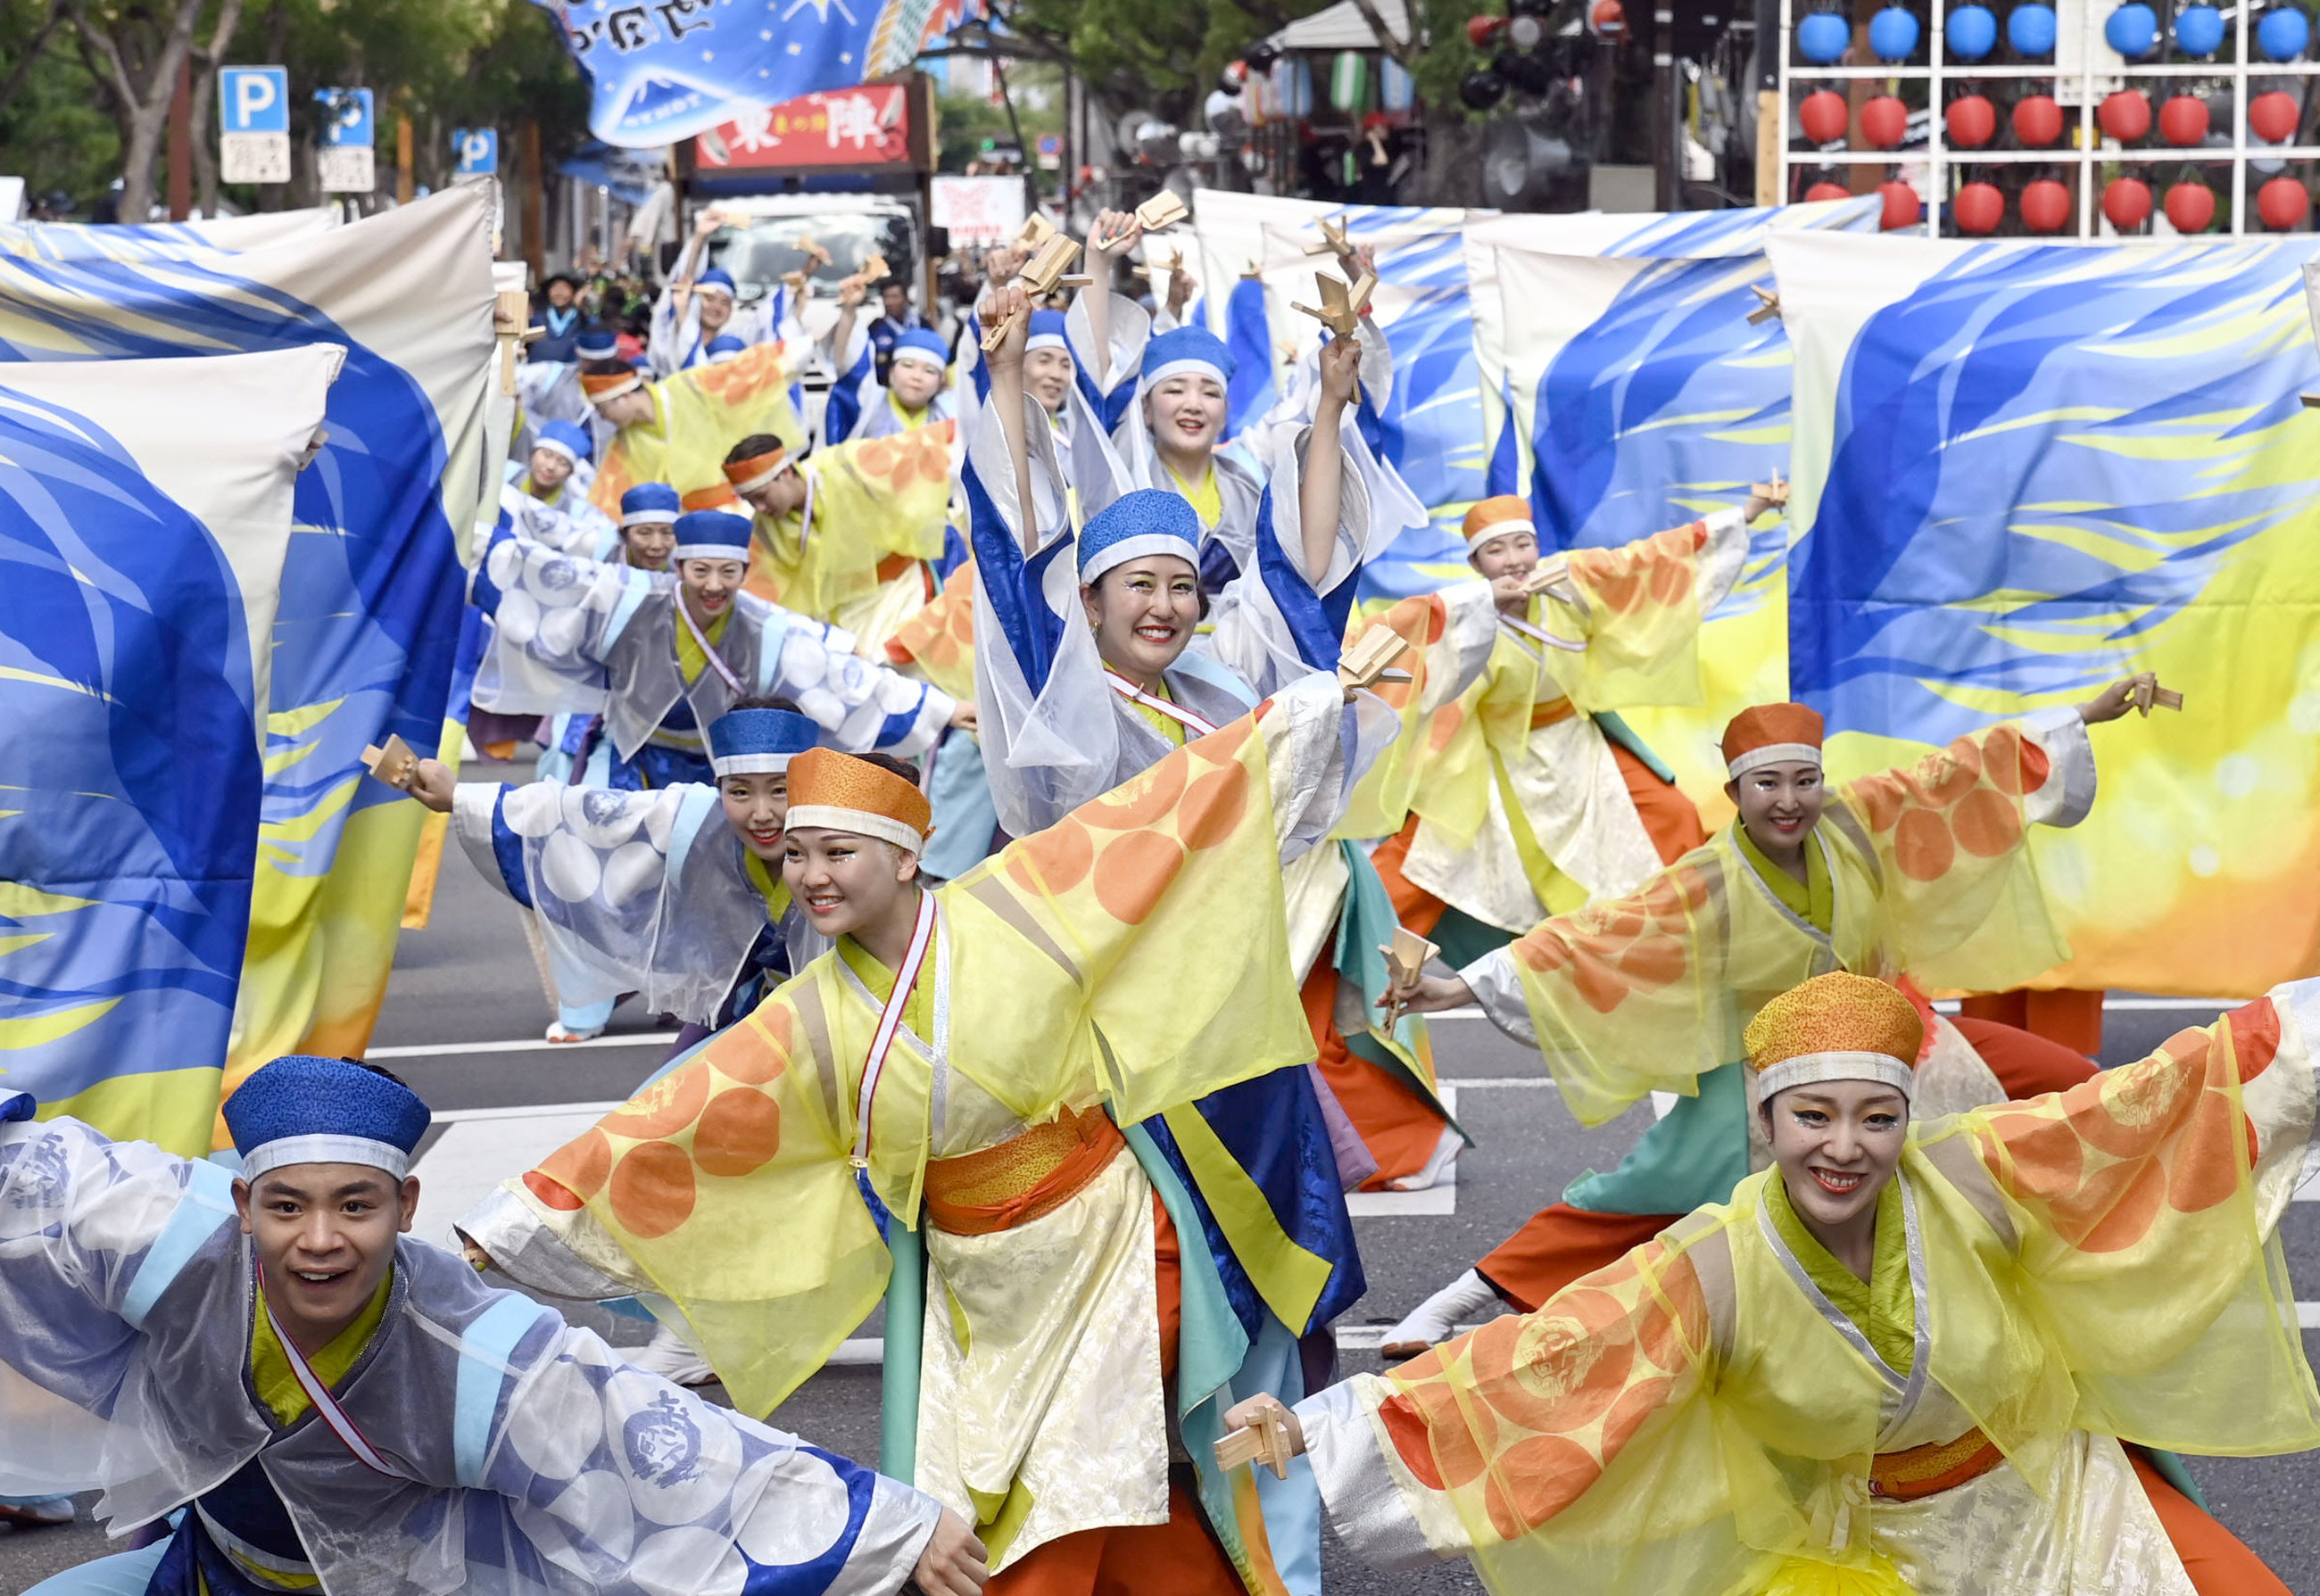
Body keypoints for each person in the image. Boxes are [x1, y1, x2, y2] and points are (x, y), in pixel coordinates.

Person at [461, 689, 1369, 1596]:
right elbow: (670, 1121)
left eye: (838, 851)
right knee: (1064, 1497)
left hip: (1113, 1251)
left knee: (1066, 1492)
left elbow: (1158, 822)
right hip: (976, 1288)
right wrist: (521, 1217)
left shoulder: (1020, 908)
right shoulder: (805, 1020)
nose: (810, 873)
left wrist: (1296, 715)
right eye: (800, 853)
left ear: (907, 857)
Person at [1220, 970, 2311, 1596]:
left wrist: (2299, 1032)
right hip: (1881, 1552)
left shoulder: (1976, 1175)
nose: (1845, 1147)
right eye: (1812, 1116)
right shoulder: (1714, 1264)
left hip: (2060, 1500)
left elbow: (2161, 1106)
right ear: (1762, 1122)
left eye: (1876, 1117)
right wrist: (1325, 1428)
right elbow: (1553, 1363)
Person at [4, 1054, 986, 1596]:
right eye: (286, 1206)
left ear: (409, 1205)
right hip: (209, 1568)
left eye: (356, 1206)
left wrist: (891, 1522)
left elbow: (664, 1446)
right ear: (239, 1202)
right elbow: (38, 1179)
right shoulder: (171, 1242)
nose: (318, 1241)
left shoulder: (476, 1355)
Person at [1374, 682, 2165, 1355]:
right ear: (1735, 796)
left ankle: (2102, 1251)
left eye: (1803, 780)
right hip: (1769, 1070)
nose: (1789, 800)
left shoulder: (1856, 821)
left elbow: (1960, 775)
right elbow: (1595, 939)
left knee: (2064, 1086)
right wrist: (1455, 992)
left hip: (1894, 1040)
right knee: (1643, 1192)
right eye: (1768, 785)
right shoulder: (1706, 884)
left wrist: (2085, 716)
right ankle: (1458, 1300)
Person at [468, 507, 967, 790]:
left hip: (722, 778)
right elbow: (546, 580)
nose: (713, 584)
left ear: (744, 575)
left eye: (727, 571)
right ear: (679, 568)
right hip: (629, 760)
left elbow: (838, 678)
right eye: (700, 570)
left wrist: (942, 708)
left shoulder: (763, 628)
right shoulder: (627, 600)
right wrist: (471, 544)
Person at [720, 429, 959, 651]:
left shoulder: (848, 465)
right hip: (840, 616)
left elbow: (929, 446)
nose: (759, 507)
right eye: (750, 501)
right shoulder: (765, 527)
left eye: (761, 496)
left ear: (787, 472)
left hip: (899, 589)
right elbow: (759, 594)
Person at [579, 344, 798, 517]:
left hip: (736, 508)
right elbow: (609, 499)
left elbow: (746, 374)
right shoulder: (625, 441)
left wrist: (800, 349)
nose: (601, 417)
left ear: (624, 397)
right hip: (681, 524)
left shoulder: (689, 387)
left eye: (602, 408)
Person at [825, 324, 957, 444]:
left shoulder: (949, 413)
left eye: (929, 371)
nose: (917, 376)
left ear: (941, 381)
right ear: (891, 372)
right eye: (908, 365)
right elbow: (847, 365)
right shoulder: (869, 403)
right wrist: (849, 312)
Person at [528, 271, 594, 363]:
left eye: (564, 288)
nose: (559, 293)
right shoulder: (537, 318)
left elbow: (594, 330)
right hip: (537, 370)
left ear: (574, 292)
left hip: (571, 371)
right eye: (554, 288)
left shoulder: (581, 319)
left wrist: (581, 308)